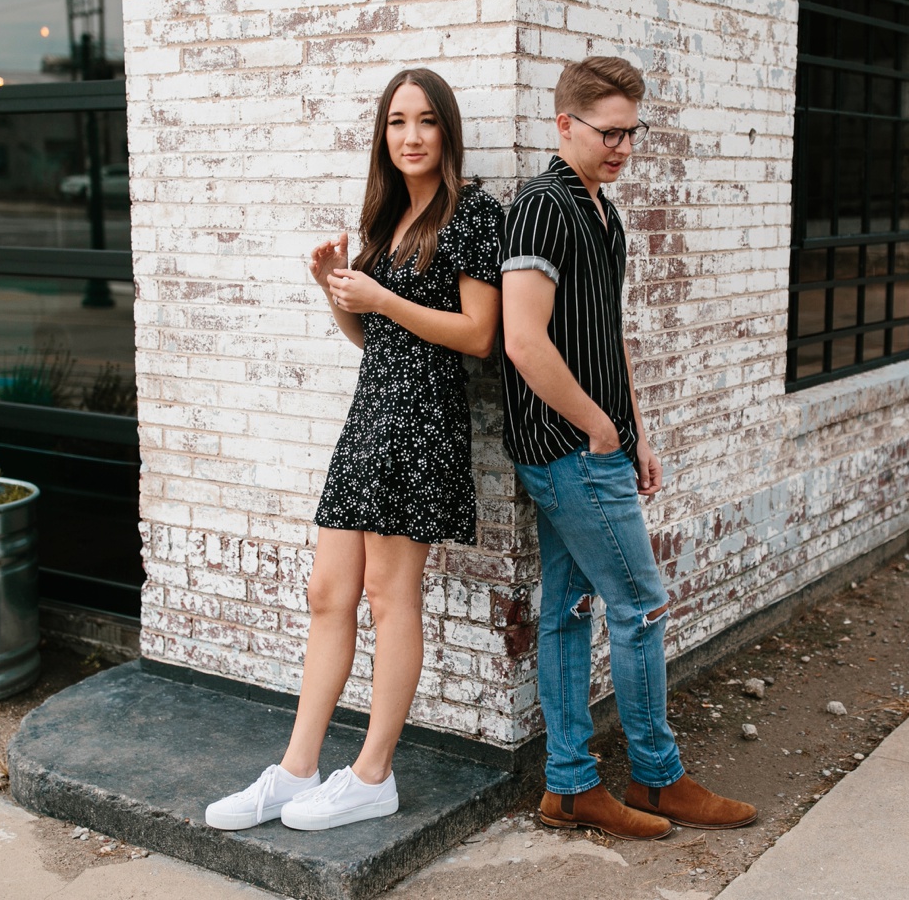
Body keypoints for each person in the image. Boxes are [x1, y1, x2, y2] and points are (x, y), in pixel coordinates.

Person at [205, 68, 502, 832]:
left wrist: (382, 297)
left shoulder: (472, 212)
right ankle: (295, 771)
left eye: (426, 121)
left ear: (447, 131)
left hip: (422, 422)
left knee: (388, 596)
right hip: (369, 417)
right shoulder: (388, 218)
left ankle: (373, 774)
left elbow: (478, 335)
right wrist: (331, 288)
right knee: (327, 595)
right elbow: (375, 338)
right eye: (397, 122)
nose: (410, 136)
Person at [500, 56, 757, 840]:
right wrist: (599, 427)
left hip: (597, 443)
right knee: (640, 606)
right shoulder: (543, 207)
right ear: (564, 125)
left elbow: (605, 336)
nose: (621, 146)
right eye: (608, 132)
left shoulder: (600, 211)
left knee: (570, 611)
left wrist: (635, 428)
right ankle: (656, 777)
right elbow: (521, 339)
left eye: (630, 133)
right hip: (567, 448)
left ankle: (571, 788)